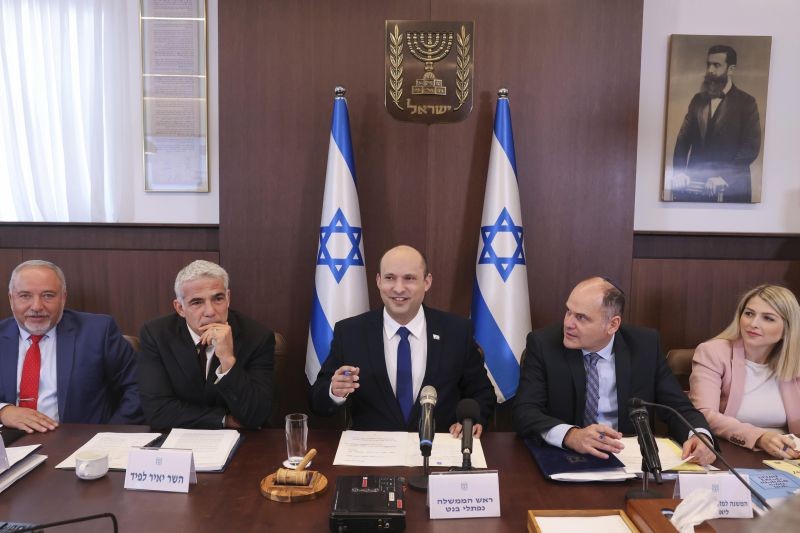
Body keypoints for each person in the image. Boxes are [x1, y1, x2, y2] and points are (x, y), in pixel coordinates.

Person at [513, 277, 715, 465]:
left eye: (581, 317)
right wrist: (571, 435)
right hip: (566, 458)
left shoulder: (644, 346)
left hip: (630, 460)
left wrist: (700, 436)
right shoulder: (544, 344)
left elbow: (677, 407)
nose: (568, 323)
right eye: (568, 311)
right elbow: (525, 412)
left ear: (612, 324)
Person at [311, 245, 496, 437]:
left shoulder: (457, 331)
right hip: (372, 455)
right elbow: (318, 401)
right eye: (390, 278)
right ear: (378, 281)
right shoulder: (350, 332)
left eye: (409, 278)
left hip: (439, 450)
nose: (398, 288)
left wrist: (472, 421)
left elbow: (482, 393)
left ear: (427, 282)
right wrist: (335, 391)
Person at [0, 260, 142, 433]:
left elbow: (138, 387)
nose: (36, 306)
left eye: (48, 295)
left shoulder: (97, 332)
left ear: (63, 298)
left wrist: (110, 436)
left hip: (78, 445)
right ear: (11, 299)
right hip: (9, 446)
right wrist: (3, 411)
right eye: (25, 296)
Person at [137, 260, 274, 430]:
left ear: (228, 298)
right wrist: (224, 419)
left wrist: (228, 361)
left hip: (244, 444)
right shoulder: (156, 334)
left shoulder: (257, 337)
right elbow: (158, 412)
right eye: (197, 302)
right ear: (180, 308)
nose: (210, 312)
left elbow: (256, 415)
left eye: (218, 299)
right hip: (179, 442)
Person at [689, 284, 800, 459]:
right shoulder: (713, 352)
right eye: (749, 314)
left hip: (786, 457)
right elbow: (703, 413)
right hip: (730, 453)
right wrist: (759, 437)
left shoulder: (796, 361)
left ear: (787, 329)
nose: (753, 324)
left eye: (768, 318)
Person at [671, 44, 761, 203]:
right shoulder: (697, 100)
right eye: (708, 64)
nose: (710, 70)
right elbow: (683, 139)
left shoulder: (747, 102)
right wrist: (679, 171)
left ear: (731, 69)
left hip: (731, 188)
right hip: (695, 186)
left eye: (716, 65)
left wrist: (724, 176)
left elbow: (750, 148)